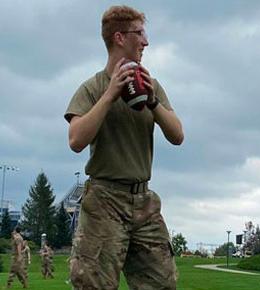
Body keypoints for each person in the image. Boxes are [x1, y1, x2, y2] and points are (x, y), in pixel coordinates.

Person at [64, 5, 184, 290]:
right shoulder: (93, 88)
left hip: (144, 201)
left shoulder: (151, 85)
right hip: (104, 201)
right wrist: (110, 95)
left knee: (162, 285)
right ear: (119, 37)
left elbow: (177, 135)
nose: (146, 41)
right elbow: (76, 140)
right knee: (93, 285)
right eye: (140, 33)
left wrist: (153, 101)